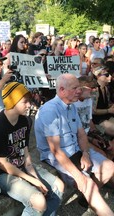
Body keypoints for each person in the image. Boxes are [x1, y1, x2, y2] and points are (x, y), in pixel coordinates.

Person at [35, 73, 114, 215]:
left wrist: (85, 153)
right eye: (75, 88)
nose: (79, 90)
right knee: (88, 184)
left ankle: (86, 198)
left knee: (109, 167)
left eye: (79, 87)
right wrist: (78, 176)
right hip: (57, 155)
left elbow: (81, 134)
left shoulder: (71, 107)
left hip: (75, 150)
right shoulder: (49, 111)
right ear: (61, 90)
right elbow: (56, 151)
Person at [0, 82, 64, 216]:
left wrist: (35, 177)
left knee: (58, 185)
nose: (29, 105)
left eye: (29, 101)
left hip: (19, 165)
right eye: (25, 101)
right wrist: (33, 180)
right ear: (12, 101)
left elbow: (25, 153)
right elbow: (3, 165)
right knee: (38, 201)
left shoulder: (25, 121)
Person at [74, 76, 114, 160]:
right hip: (79, 137)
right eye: (92, 87)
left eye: (95, 87)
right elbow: (75, 132)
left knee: (111, 148)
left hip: (88, 133)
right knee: (103, 154)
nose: (95, 90)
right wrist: (92, 139)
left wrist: (99, 137)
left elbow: (90, 122)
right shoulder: (72, 103)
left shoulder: (88, 100)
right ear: (81, 88)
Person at [92, 67, 114, 137]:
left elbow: (108, 104)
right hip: (96, 120)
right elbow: (93, 111)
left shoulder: (106, 88)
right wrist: (108, 110)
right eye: (106, 75)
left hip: (105, 116)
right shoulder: (95, 90)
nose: (110, 76)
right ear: (98, 76)